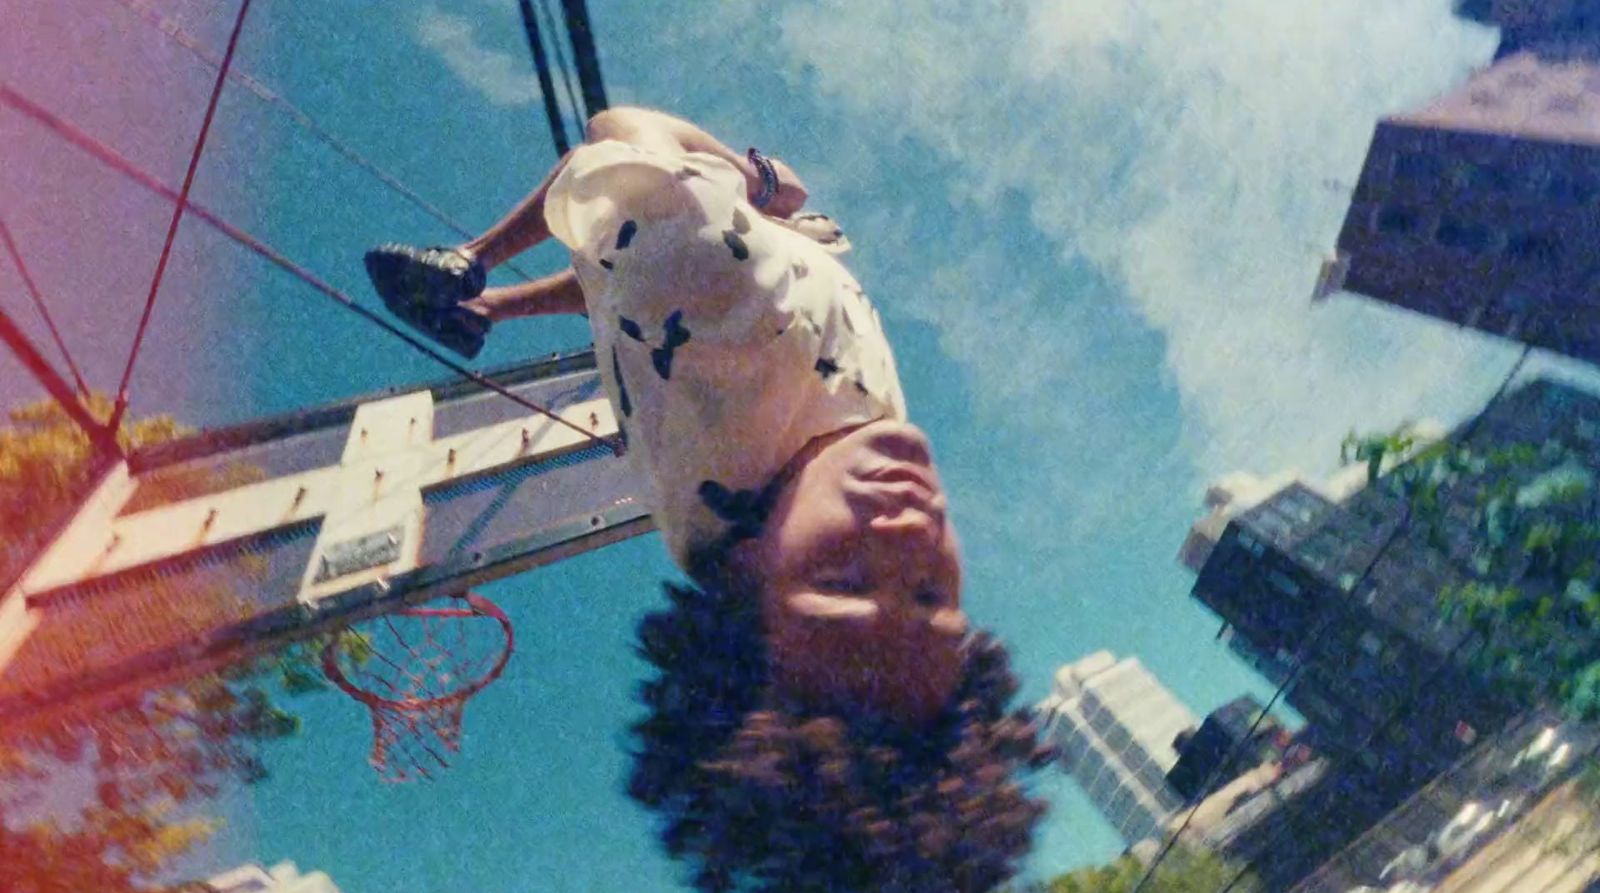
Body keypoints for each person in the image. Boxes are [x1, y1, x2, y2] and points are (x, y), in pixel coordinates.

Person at [365, 107, 1049, 892]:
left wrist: (756, 180)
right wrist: (508, 310)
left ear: (740, 586)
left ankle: (466, 265)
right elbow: (622, 262)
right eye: (932, 595)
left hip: (707, 273)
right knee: (634, 234)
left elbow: (618, 130)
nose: (905, 532)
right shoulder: (828, 452)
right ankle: (483, 304)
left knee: (638, 191)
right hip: (690, 290)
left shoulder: (729, 305)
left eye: (846, 583)